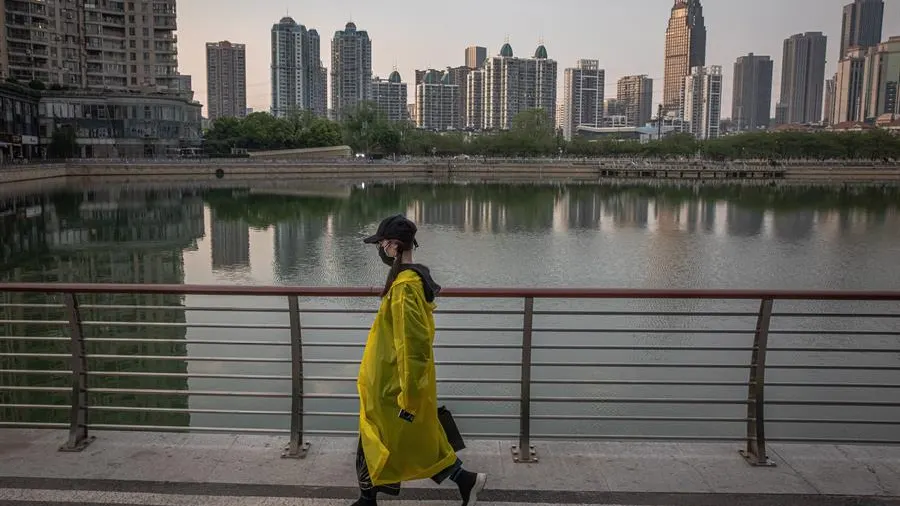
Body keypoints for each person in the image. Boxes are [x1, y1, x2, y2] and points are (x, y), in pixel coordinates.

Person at [353, 214, 487, 506]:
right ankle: (466, 480)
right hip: (391, 384)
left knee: (377, 441)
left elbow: (413, 347)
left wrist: (410, 399)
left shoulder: (404, 288)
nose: (381, 249)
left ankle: (367, 500)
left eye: (382, 244)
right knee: (415, 444)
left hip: (392, 388)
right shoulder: (408, 281)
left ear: (393, 246)